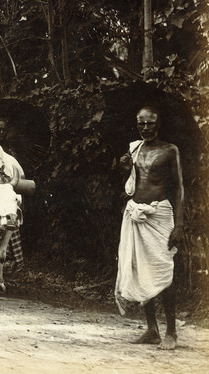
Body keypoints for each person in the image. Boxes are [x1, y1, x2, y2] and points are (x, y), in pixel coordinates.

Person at [115, 104, 184, 350]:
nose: (145, 128)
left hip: (161, 216)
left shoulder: (169, 150)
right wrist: (123, 167)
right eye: (141, 123)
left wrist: (179, 224)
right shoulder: (134, 149)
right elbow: (131, 182)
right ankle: (152, 330)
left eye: (150, 123)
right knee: (141, 270)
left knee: (163, 271)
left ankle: (172, 332)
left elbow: (179, 188)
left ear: (159, 124)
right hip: (136, 213)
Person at [0, 116, 23, 267]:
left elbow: (17, 173)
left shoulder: (11, 152)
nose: (0, 132)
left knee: (10, 222)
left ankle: (9, 258)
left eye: (3, 130)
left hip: (7, 193)